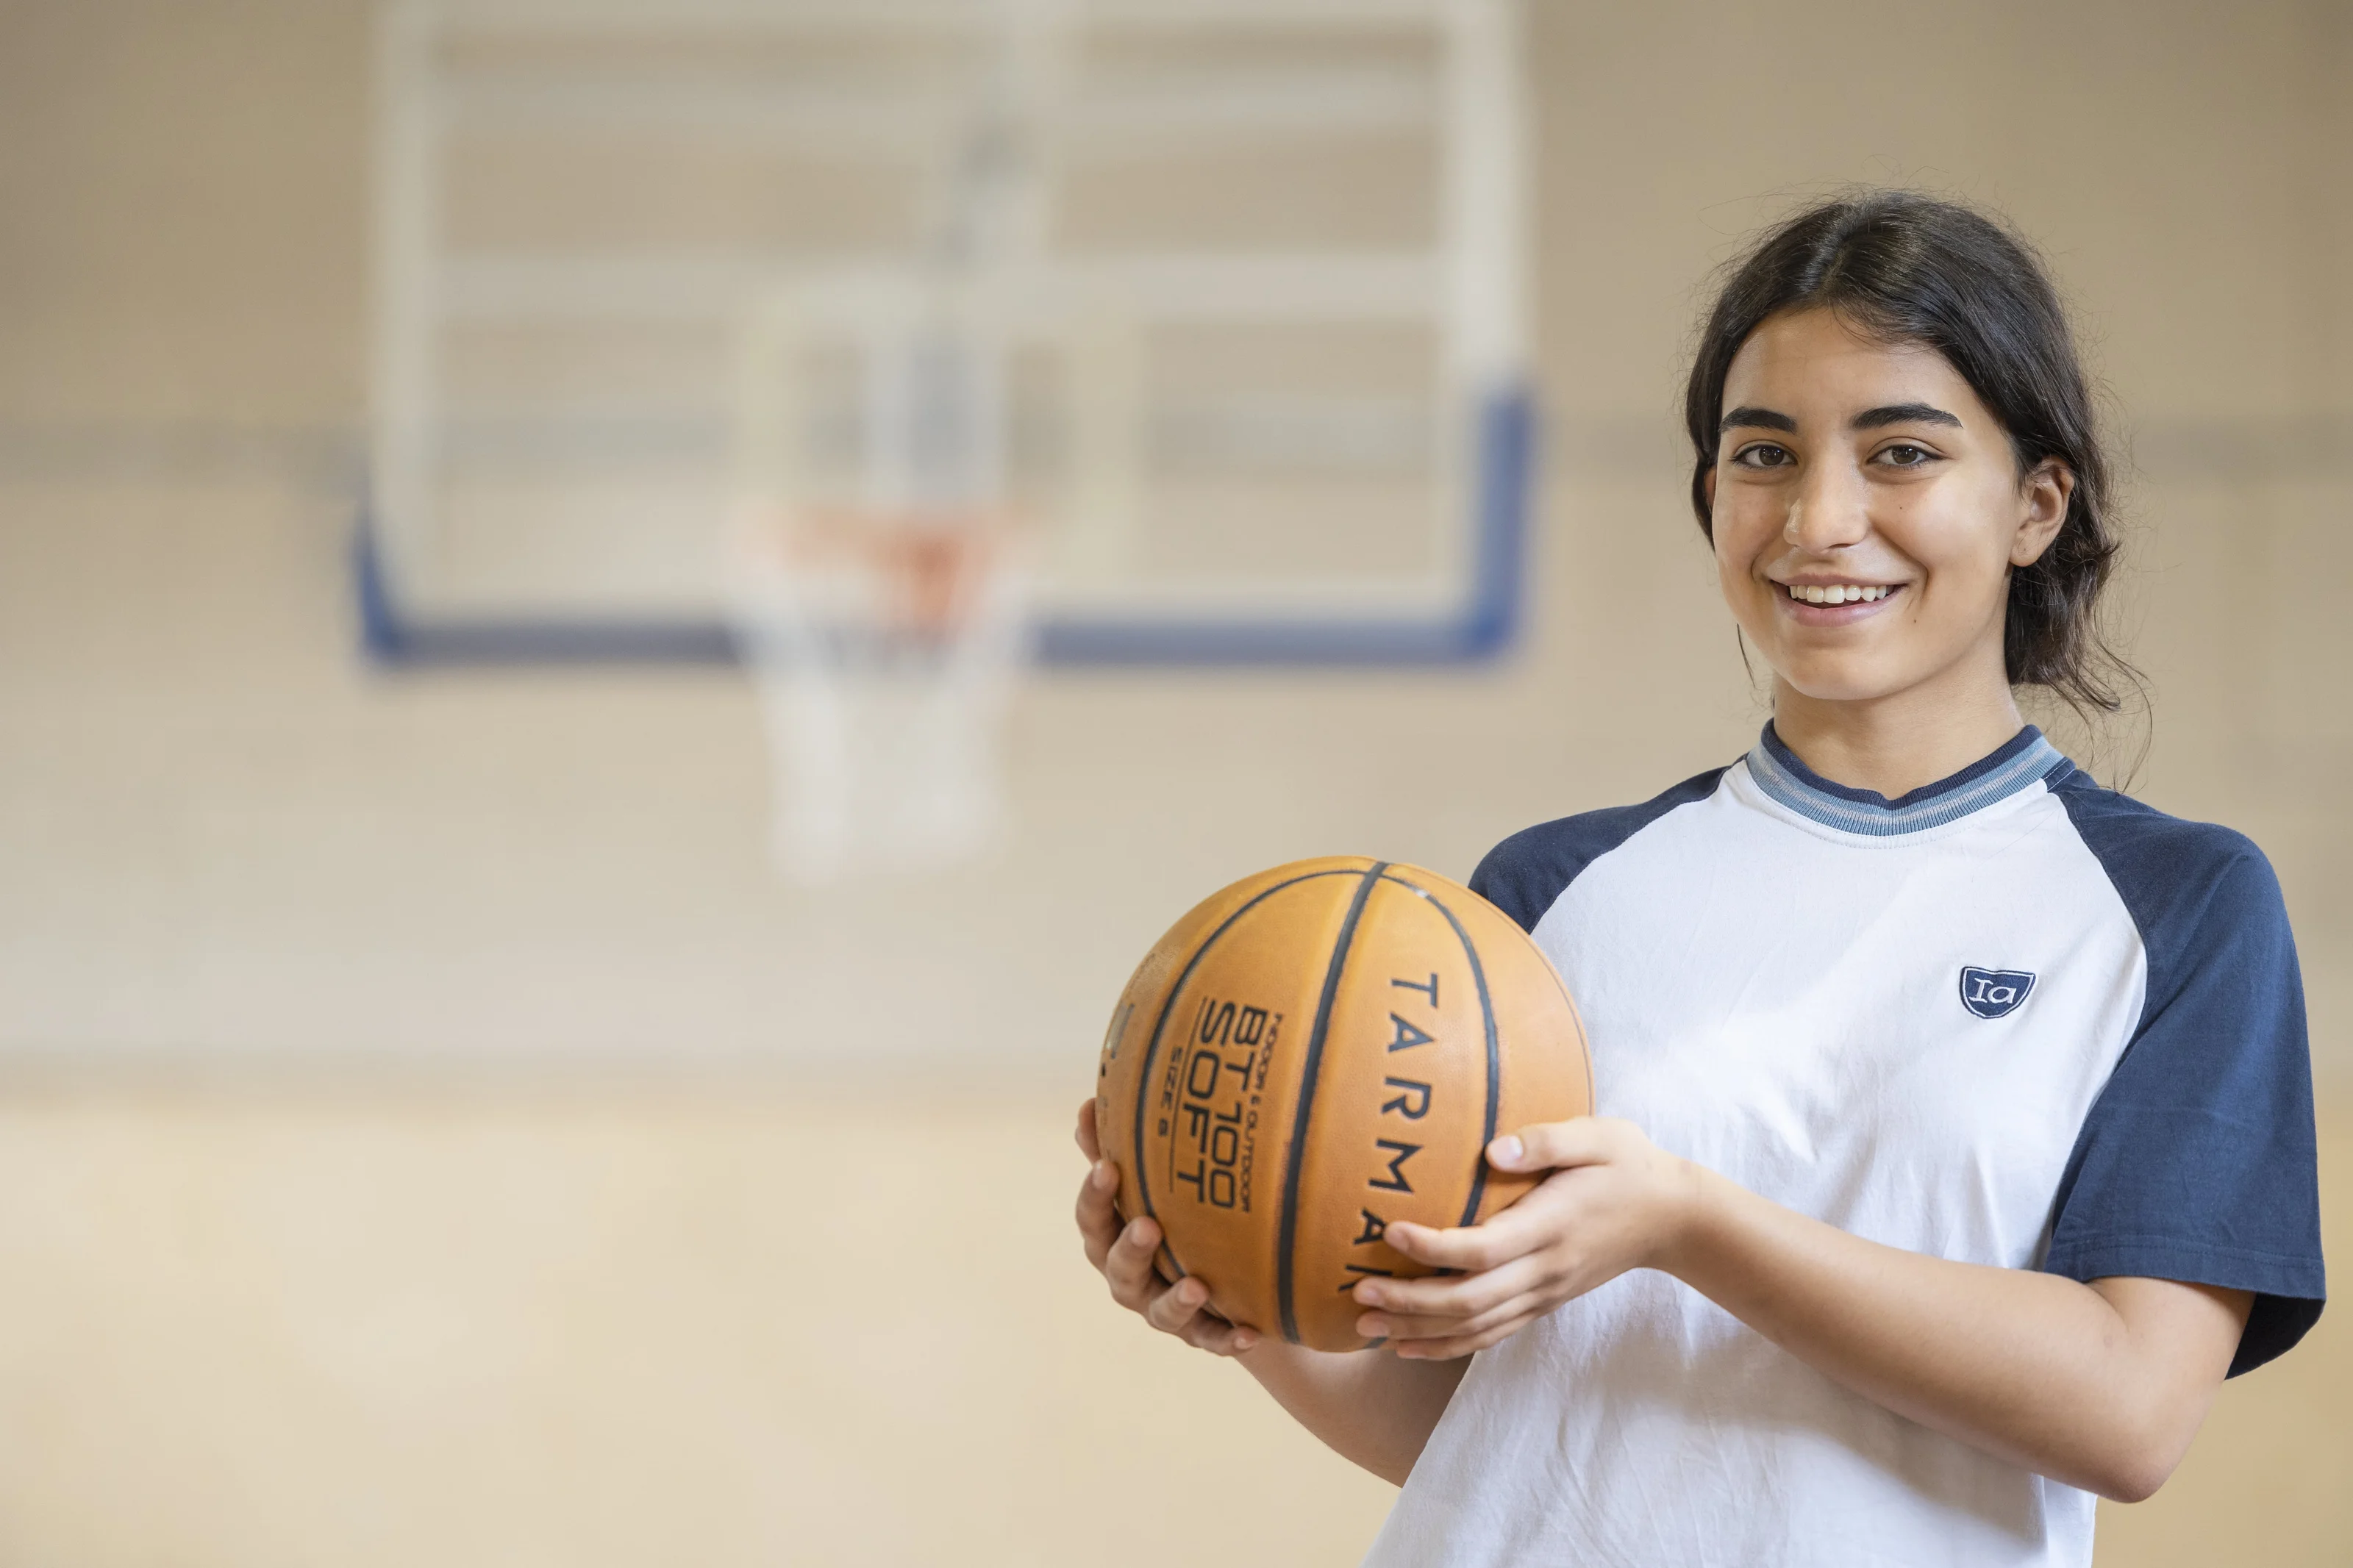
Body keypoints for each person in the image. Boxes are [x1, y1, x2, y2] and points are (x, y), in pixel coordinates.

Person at [1070, 190, 2326, 1567]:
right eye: (1764, 455)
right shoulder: (1547, 891)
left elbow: (2128, 1409)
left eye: (1901, 451)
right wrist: (1247, 1306)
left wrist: (1687, 1222)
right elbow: (1481, 1421)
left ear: (2036, 503)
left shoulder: (2179, 909)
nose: (1821, 518)